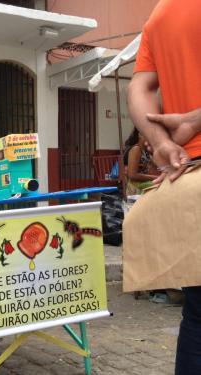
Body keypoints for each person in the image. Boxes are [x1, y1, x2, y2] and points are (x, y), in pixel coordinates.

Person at [127, 0, 201, 373]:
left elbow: (138, 90)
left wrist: (161, 142)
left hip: (187, 178)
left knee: (198, 316)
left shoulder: (161, 14)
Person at [123, 128, 158, 196]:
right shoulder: (136, 149)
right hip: (136, 188)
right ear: (140, 135)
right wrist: (155, 178)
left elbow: (156, 165)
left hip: (143, 185)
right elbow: (132, 175)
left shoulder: (146, 151)